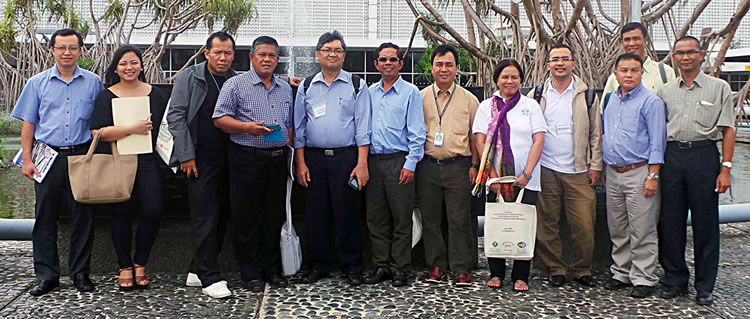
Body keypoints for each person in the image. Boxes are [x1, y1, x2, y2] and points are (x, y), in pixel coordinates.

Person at [11, 28, 104, 296]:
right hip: (47, 156)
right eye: (61, 47)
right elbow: (29, 124)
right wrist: (27, 160)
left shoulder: (93, 82)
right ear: (52, 50)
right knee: (45, 217)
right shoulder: (37, 83)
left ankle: (80, 273)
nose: (67, 52)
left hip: (81, 155)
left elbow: (99, 122)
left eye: (72, 48)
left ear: (80, 50)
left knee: (83, 216)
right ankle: (47, 275)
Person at [657, 36, 736, 306]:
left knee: (705, 224)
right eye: (680, 53)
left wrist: (725, 168)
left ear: (701, 55)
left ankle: (705, 285)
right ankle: (676, 279)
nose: (686, 57)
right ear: (674, 57)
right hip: (672, 156)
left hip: (704, 156)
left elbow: (728, 130)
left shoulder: (719, 88)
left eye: (691, 52)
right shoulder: (666, 91)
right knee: (670, 222)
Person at [212, 35, 293, 293]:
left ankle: (271, 268)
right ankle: (250, 272)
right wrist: (247, 127)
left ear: (277, 60)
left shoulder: (284, 87)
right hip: (246, 157)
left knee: (273, 215)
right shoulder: (236, 85)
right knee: (246, 216)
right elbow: (219, 119)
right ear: (251, 57)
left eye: (272, 56)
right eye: (262, 55)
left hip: (277, 159)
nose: (267, 60)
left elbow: (290, 123)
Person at [293, 30, 371, 286]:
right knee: (316, 214)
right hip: (314, 159)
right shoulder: (306, 85)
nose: (332, 54)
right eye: (327, 49)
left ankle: (351, 266)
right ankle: (318, 265)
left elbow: (363, 127)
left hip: (346, 158)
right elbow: (300, 127)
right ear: (317, 54)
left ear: (344, 56)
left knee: (347, 213)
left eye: (337, 50)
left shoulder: (357, 85)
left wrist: (362, 164)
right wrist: (300, 162)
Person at [89, 45, 168, 291]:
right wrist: (131, 129)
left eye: (133, 62)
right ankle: (124, 266)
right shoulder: (107, 95)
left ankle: (140, 262)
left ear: (141, 65)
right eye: (123, 63)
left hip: (148, 160)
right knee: (120, 213)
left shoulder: (154, 94)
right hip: (118, 159)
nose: (129, 68)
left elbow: (166, 128)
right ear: (116, 67)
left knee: (153, 211)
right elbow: (97, 132)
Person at [167, 31, 237, 298]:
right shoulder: (191, 76)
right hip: (199, 158)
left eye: (228, 53)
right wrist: (186, 155)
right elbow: (176, 116)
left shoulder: (234, 79)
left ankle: (197, 270)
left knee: (221, 216)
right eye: (217, 52)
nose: (223, 57)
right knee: (204, 216)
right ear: (206, 52)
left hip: (228, 157)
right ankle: (210, 277)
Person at [530, 44, 602, 288]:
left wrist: (596, 165)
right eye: (555, 59)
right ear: (547, 65)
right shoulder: (537, 94)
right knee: (546, 222)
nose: (560, 63)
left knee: (584, 224)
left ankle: (582, 269)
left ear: (573, 63)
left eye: (565, 59)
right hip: (546, 168)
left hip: (578, 170)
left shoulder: (586, 94)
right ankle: (555, 268)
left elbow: (596, 134)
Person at [473, 59, 546, 292]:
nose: (510, 81)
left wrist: (527, 173)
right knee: (498, 223)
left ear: (521, 80)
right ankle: (496, 272)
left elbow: (539, 139)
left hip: (526, 180)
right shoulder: (486, 106)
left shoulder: (531, 106)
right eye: (505, 76)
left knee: (523, 225)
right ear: (497, 79)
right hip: (495, 180)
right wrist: (492, 177)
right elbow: (480, 140)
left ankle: (521, 275)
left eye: (514, 76)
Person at [601, 53, 666, 298]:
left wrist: (654, 176)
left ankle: (644, 277)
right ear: (615, 74)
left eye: (634, 70)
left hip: (640, 172)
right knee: (617, 226)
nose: (628, 74)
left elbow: (657, 142)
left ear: (641, 73)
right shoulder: (610, 100)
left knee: (643, 227)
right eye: (624, 70)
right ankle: (621, 272)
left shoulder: (651, 102)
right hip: (614, 173)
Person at [362, 42, 426, 287]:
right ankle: (381, 266)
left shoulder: (410, 93)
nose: (387, 63)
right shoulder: (369, 92)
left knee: (402, 219)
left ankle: (400, 267)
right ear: (376, 64)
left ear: (400, 64)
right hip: (374, 162)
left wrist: (410, 164)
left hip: (399, 161)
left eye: (392, 59)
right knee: (376, 218)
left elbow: (418, 132)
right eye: (383, 59)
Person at [418, 44, 479, 286]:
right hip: (427, 165)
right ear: (432, 68)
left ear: (457, 69)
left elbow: (476, 136)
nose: (444, 69)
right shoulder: (420, 97)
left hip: (459, 166)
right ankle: (436, 264)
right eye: (439, 64)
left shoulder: (469, 100)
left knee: (459, 218)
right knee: (431, 218)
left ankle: (461, 266)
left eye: (449, 64)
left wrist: (475, 165)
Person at [601, 22, 676, 107]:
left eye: (636, 39)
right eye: (627, 39)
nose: (631, 44)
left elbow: (673, 107)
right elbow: (605, 109)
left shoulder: (665, 72)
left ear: (645, 41)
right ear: (622, 43)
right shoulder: (615, 77)